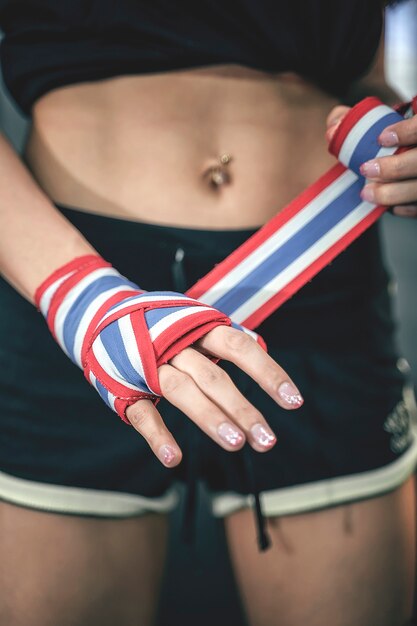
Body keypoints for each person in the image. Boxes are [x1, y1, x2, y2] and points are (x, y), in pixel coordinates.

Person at [0, 2, 416, 625]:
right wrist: (79, 297)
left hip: (314, 267)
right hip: (70, 289)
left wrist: (397, 136)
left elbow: (357, 72)